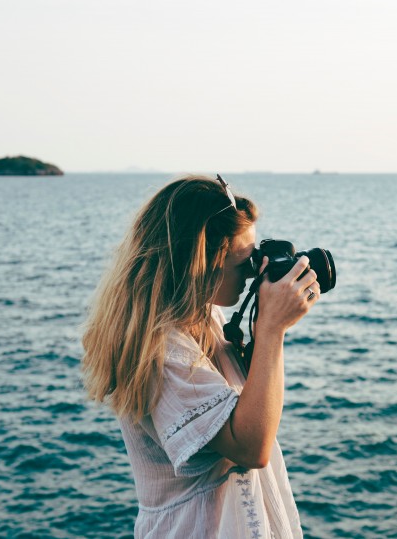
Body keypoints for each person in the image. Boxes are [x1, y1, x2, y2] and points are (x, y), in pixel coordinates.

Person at [81, 175, 320, 538]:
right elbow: (250, 447)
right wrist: (272, 330)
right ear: (199, 263)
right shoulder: (161, 352)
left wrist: (264, 327)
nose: (254, 270)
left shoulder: (204, 318)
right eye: (242, 260)